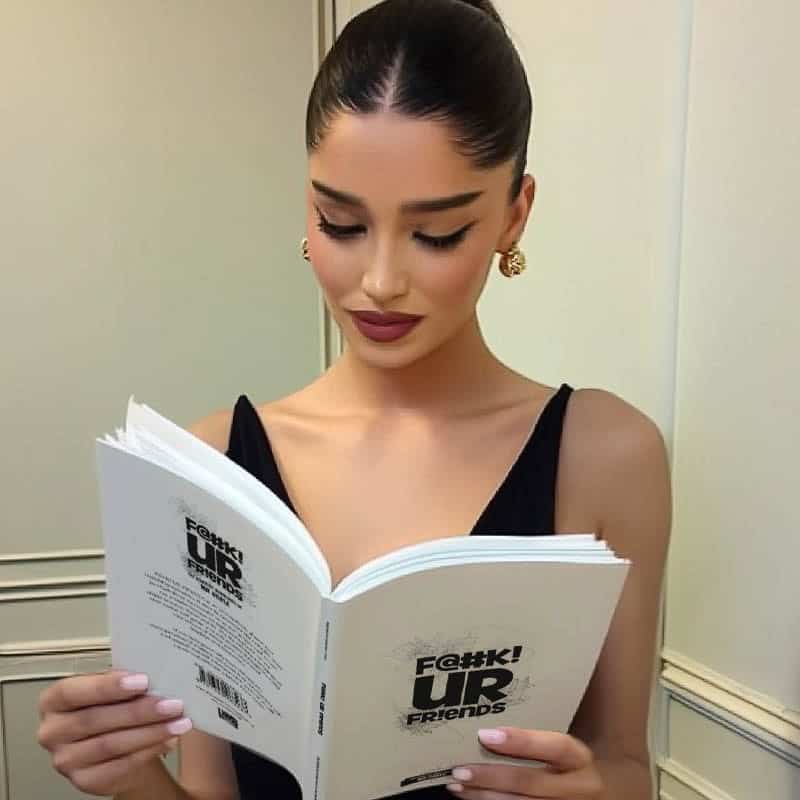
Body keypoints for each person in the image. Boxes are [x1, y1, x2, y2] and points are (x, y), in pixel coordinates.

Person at [36, 0, 671, 798]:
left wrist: (590, 792)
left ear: (515, 214)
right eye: (341, 222)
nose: (380, 281)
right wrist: (129, 775)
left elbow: (626, 766)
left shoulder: (607, 456)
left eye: (436, 234)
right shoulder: (210, 462)